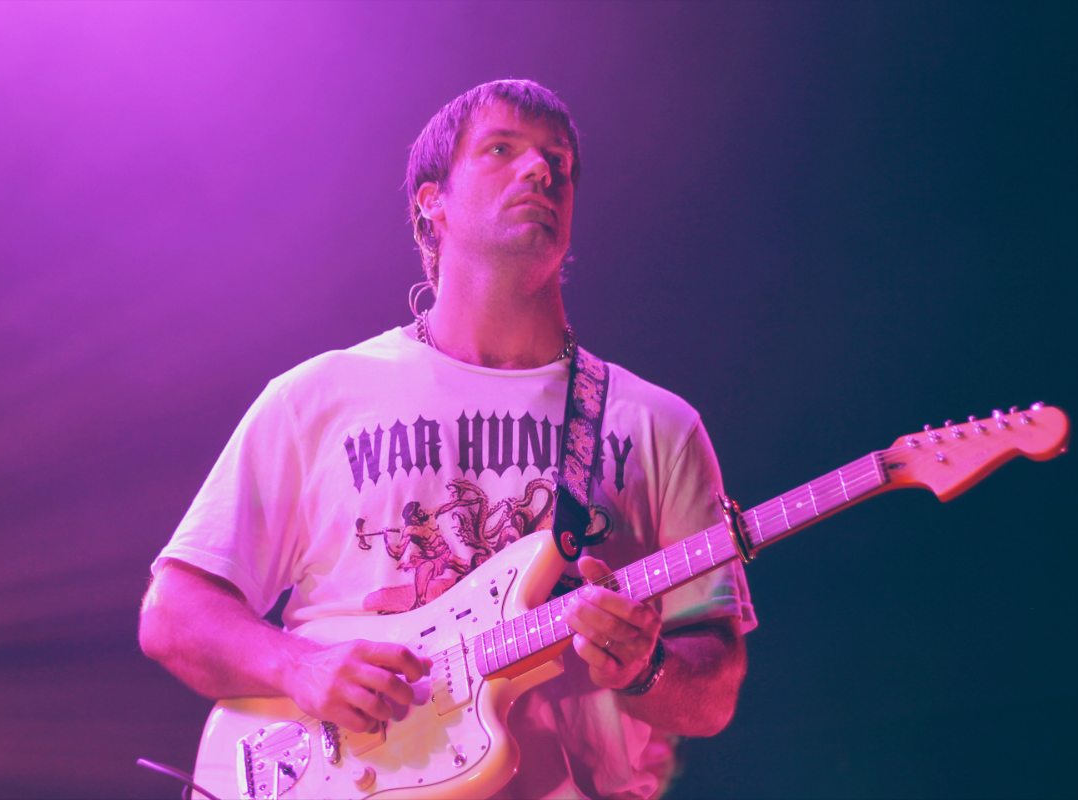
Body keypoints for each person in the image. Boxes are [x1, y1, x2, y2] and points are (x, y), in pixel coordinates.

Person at [139, 79, 757, 799]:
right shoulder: (316, 398)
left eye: (559, 162)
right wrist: (298, 669)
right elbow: (175, 613)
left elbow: (712, 694)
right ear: (432, 202)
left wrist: (648, 668)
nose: (541, 171)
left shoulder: (656, 425)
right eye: (504, 149)